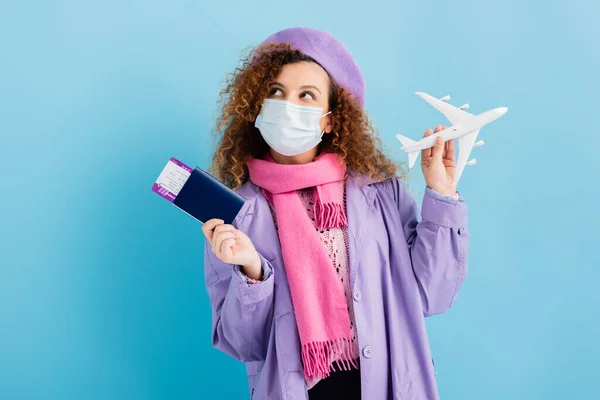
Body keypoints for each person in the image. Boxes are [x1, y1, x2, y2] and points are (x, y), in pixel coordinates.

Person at [201, 27, 469, 400]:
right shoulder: (237, 212)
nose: (287, 105)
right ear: (257, 104)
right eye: (275, 92)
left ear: (329, 118)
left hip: (388, 384)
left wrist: (441, 194)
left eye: (306, 95)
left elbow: (431, 294)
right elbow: (243, 343)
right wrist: (252, 271)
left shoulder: (377, 191)